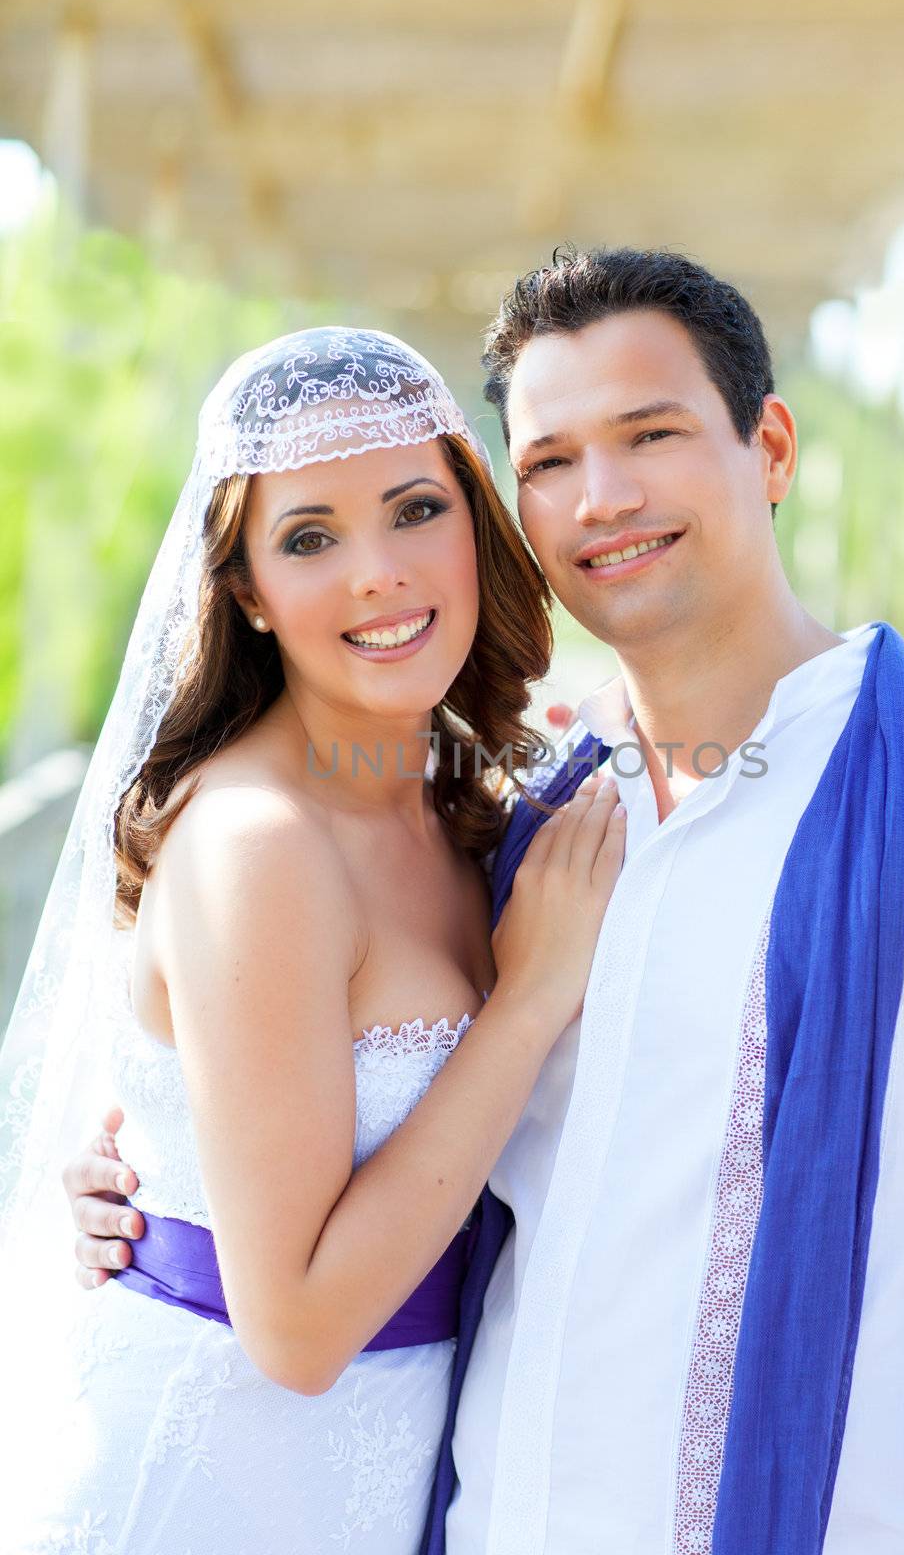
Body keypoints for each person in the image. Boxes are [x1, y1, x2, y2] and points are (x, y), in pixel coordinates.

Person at [66, 252, 904, 1555]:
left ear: (768, 445)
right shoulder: (516, 808)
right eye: (547, 462)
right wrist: (150, 1191)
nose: (602, 498)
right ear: (516, 511)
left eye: (649, 434)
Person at [0, 326, 625, 1555]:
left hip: (385, 1477)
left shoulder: (463, 802)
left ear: (474, 520)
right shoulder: (257, 845)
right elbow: (290, 1326)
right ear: (246, 591)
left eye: (412, 509)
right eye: (308, 538)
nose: (377, 574)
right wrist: (530, 997)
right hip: (204, 1490)